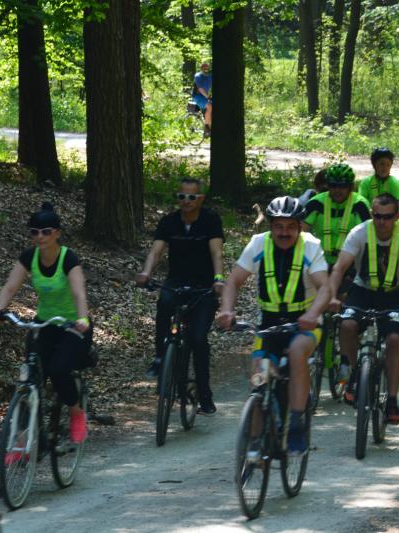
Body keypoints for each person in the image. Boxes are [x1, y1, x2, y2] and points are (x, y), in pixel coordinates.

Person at [218, 196, 330, 454]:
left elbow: (325, 287)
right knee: (259, 380)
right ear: (270, 226)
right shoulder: (258, 244)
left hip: (304, 323)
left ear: (300, 227)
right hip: (268, 323)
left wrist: (313, 314)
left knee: (297, 352)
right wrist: (226, 310)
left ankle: (297, 424)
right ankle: (255, 445)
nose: (284, 232)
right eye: (278, 226)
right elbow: (233, 281)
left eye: (290, 226)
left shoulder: (311, 247)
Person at [0, 203, 93, 443]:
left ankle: (76, 412)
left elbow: (79, 293)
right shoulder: (29, 257)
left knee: (58, 370)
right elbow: (10, 286)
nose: (40, 237)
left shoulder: (68, 258)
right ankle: (23, 439)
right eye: (34, 232)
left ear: (57, 233)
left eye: (46, 231)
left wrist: (82, 318)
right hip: (45, 324)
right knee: (30, 376)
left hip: (72, 325)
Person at [328, 193, 399, 424]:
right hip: (364, 290)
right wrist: (331, 297)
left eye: (387, 217)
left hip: (397, 293)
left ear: (397, 215)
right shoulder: (360, 232)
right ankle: (355, 376)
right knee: (347, 324)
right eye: (377, 216)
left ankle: (391, 400)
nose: (381, 222)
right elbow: (339, 268)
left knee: (393, 340)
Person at [135, 178, 224, 414]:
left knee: (198, 339)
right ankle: (160, 358)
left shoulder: (211, 220)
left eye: (192, 197)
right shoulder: (169, 221)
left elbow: (216, 252)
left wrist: (218, 278)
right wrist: (146, 272)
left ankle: (204, 394)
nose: (186, 201)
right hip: (176, 282)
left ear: (201, 199)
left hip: (203, 287)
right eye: (182, 196)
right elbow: (156, 251)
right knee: (164, 304)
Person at [302, 164, 371, 386]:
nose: (338, 190)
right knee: (311, 304)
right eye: (333, 186)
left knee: (343, 308)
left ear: (350, 187)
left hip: (349, 264)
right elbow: (302, 231)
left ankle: (345, 360)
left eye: (343, 186)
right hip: (320, 264)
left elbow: (368, 238)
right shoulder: (317, 202)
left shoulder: (360, 204)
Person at [192, 62, 213, 133]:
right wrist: (208, 97)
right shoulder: (198, 76)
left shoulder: (210, 76)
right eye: (204, 67)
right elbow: (200, 89)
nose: (205, 68)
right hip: (197, 96)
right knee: (209, 106)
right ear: (201, 68)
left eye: (207, 67)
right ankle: (207, 127)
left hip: (205, 96)